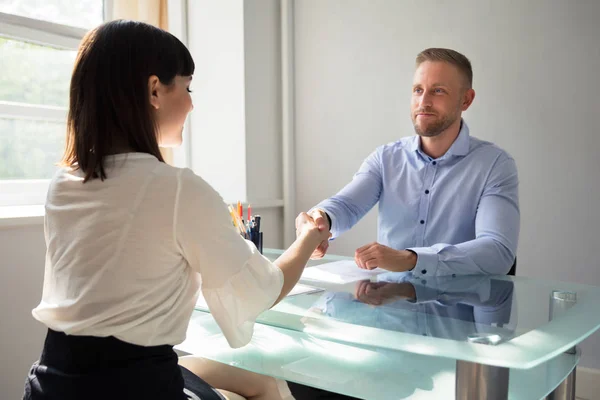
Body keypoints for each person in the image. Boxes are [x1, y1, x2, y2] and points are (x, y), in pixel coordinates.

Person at [23, 20, 329, 400]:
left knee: (205, 366)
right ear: (155, 90)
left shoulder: (63, 185)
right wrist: (307, 238)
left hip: (52, 386)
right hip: (136, 389)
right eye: (187, 87)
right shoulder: (179, 189)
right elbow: (262, 291)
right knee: (269, 387)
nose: (191, 102)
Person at [299, 48, 520, 277]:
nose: (424, 102)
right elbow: (346, 206)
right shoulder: (386, 158)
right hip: (390, 304)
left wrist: (411, 259)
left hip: (458, 309)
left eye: (438, 91)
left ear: (466, 99)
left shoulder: (495, 165)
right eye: (418, 90)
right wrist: (322, 220)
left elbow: (498, 251)